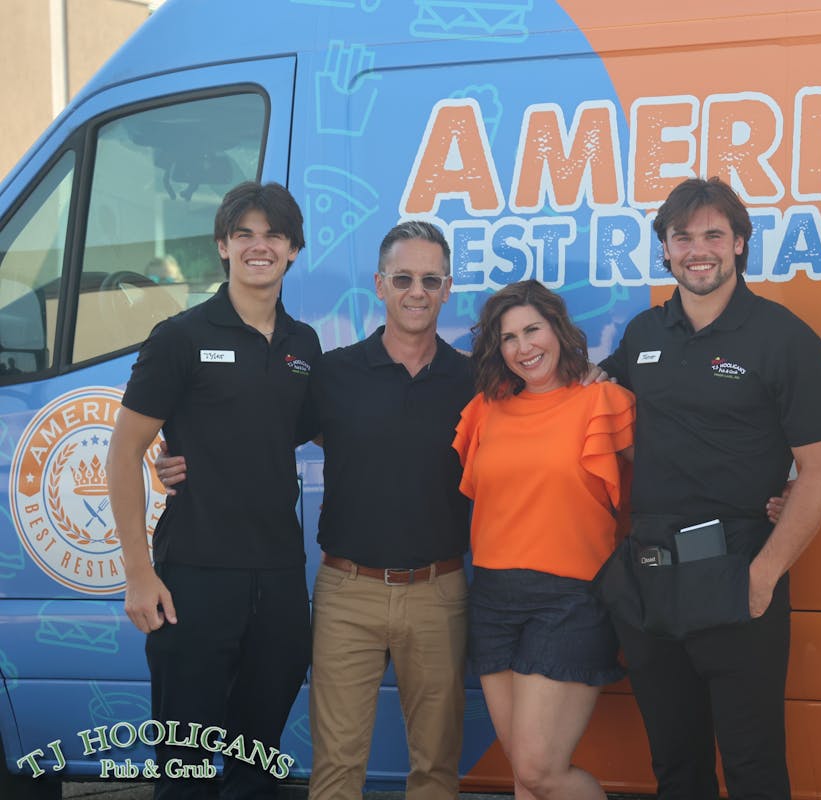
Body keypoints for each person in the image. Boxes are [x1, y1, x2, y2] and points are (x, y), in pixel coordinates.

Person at [154, 221, 474, 800]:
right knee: (336, 769)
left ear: (448, 288)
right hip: (347, 592)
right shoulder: (333, 373)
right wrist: (177, 455)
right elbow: (259, 428)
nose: (416, 291)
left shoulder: (473, 380)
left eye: (431, 279)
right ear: (380, 284)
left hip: (440, 592)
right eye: (403, 278)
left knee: (435, 769)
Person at [597, 177, 821, 800]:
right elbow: (586, 412)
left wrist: (764, 575)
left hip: (737, 572)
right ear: (665, 249)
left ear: (738, 243)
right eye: (682, 237)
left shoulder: (785, 339)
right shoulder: (643, 335)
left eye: (713, 234)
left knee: (753, 769)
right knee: (676, 772)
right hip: (649, 577)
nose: (697, 249)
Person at [108, 181, 320, 799]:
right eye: (245, 234)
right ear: (223, 247)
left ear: (294, 250)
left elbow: (304, 433)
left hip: (279, 581)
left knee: (258, 767)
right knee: (189, 771)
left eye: (274, 235)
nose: (260, 246)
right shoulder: (179, 337)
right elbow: (124, 454)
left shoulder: (303, 346)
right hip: (193, 580)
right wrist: (138, 575)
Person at [452, 280, 634, 800]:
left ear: (559, 329)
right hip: (492, 599)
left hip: (569, 600)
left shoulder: (603, 399)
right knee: (524, 780)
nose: (523, 347)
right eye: (508, 338)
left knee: (538, 769)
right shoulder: (487, 409)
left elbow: (664, 486)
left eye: (533, 329)